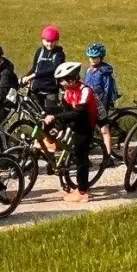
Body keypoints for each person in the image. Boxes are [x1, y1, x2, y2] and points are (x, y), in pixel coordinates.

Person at [45, 61, 99, 203]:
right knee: (50, 119)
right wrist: (50, 116)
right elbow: (65, 110)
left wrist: (55, 117)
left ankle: (82, 192)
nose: (60, 83)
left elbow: (77, 113)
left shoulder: (85, 91)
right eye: (59, 81)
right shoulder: (68, 91)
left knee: (80, 157)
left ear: (72, 79)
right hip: (74, 122)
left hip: (85, 126)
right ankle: (53, 143)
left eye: (62, 80)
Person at [82, 43, 121, 163]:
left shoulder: (104, 72)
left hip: (101, 103)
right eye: (91, 57)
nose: (93, 60)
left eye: (95, 58)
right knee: (87, 129)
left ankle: (108, 156)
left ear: (101, 58)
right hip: (89, 103)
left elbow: (107, 90)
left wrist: (104, 105)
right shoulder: (89, 70)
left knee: (104, 129)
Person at [21, 25, 66, 109]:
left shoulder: (59, 54)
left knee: (51, 113)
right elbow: (35, 68)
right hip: (37, 89)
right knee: (36, 112)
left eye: (53, 41)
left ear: (57, 41)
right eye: (47, 41)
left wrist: (34, 75)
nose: (50, 44)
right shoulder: (39, 52)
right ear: (43, 40)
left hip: (51, 90)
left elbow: (54, 70)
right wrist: (26, 77)